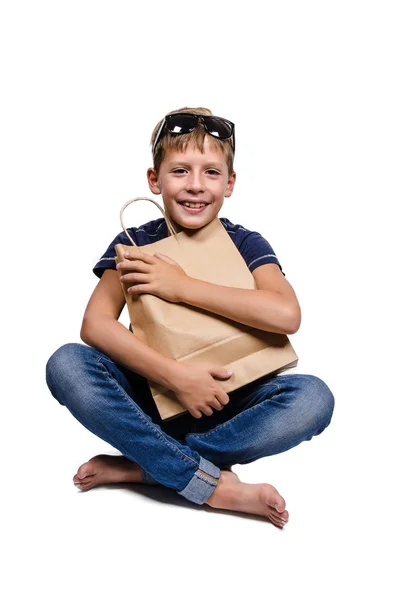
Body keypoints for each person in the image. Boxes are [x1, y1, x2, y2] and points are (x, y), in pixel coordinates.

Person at [46, 106, 334, 528]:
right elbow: (95, 325)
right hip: (149, 394)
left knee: (314, 398)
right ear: (154, 180)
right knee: (66, 363)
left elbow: (286, 315)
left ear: (230, 183)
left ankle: (147, 466)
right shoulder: (134, 241)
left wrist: (180, 286)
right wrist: (177, 378)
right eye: (180, 171)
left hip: (230, 399)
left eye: (211, 173)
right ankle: (209, 484)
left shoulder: (245, 242)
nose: (195, 186)